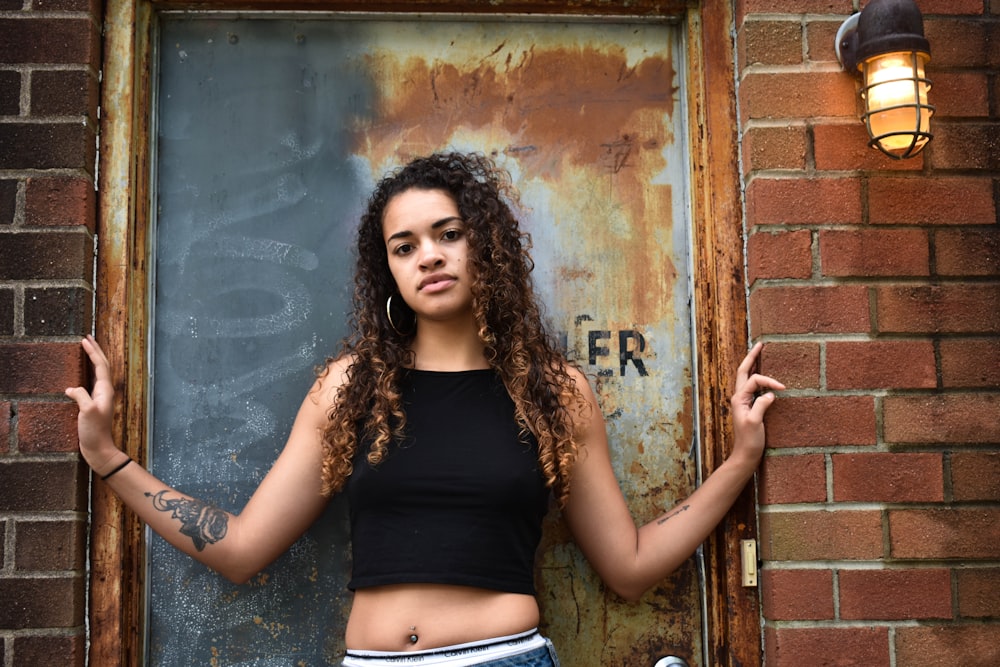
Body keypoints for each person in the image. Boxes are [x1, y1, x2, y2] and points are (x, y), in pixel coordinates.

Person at [67, 151, 784, 667]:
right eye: (404, 247)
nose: (428, 257)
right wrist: (108, 458)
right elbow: (241, 548)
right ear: (389, 272)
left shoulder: (553, 392)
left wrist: (740, 460)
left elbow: (627, 566)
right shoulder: (349, 389)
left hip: (502, 658)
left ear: (487, 246)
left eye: (448, 234)